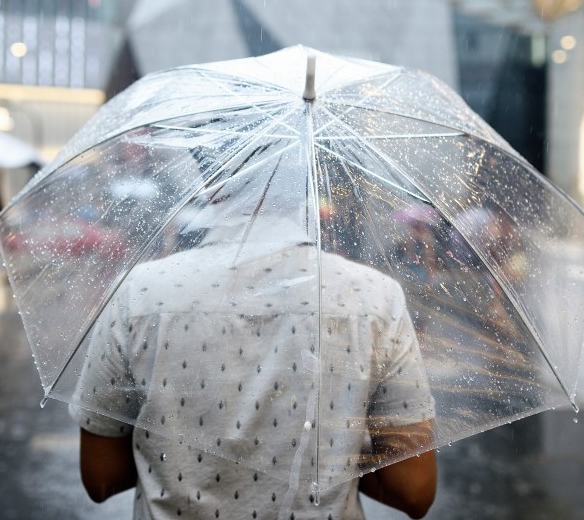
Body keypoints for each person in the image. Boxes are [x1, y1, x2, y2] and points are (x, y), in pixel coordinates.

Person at [67, 168, 437, 520]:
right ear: (309, 174)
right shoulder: (373, 298)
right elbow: (413, 489)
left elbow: (101, 476)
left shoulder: (142, 292)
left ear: (213, 178)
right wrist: (330, 455)